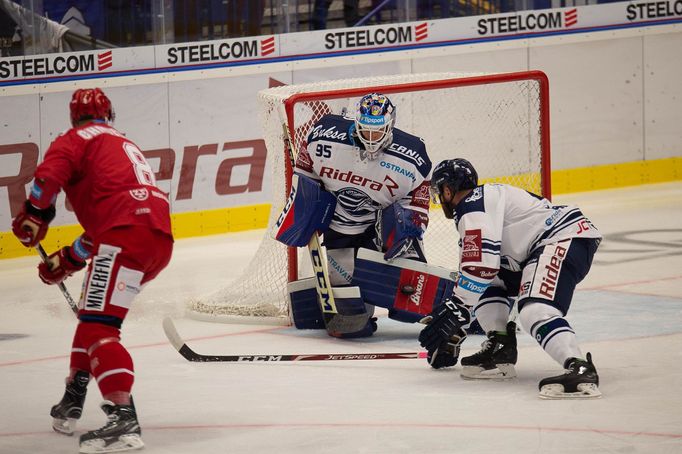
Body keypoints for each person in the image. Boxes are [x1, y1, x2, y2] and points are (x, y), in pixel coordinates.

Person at [11, 88, 174, 452]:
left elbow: (46, 178)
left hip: (123, 239)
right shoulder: (119, 143)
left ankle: (122, 418)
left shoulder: (73, 140)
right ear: (109, 115)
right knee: (91, 315)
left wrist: (36, 215)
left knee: (99, 326)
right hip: (155, 240)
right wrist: (69, 258)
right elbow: (115, 215)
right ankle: (73, 395)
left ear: (73, 117)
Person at [418, 158, 603, 399]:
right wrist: (455, 332)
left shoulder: (473, 204)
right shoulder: (479, 207)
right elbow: (480, 274)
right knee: (486, 284)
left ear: (447, 189)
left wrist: (457, 308)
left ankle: (580, 368)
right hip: (541, 247)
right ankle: (501, 347)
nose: (438, 197)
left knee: (535, 311)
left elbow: (480, 267)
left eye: (438, 191)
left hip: (562, 238)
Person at [276, 93, 432, 338]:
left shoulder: (412, 156)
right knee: (351, 324)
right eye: (365, 130)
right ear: (356, 122)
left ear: (390, 125)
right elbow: (306, 176)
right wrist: (305, 211)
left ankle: (456, 308)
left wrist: (411, 225)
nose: (371, 138)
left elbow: (418, 192)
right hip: (341, 227)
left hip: (382, 226)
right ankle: (359, 307)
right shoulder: (322, 139)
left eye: (378, 131)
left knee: (410, 299)